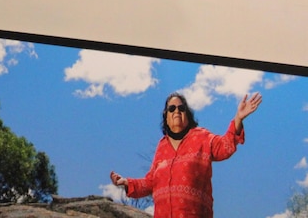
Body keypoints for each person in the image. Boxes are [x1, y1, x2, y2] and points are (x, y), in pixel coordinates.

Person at [110, 91, 262, 217]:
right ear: (166, 117)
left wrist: (238, 118)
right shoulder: (162, 146)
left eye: (181, 108)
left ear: (187, 115)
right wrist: (127, 183)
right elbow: (151, 182)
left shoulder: (202, 137)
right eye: (172, 108)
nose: (176, 111)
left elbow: (224, 147)